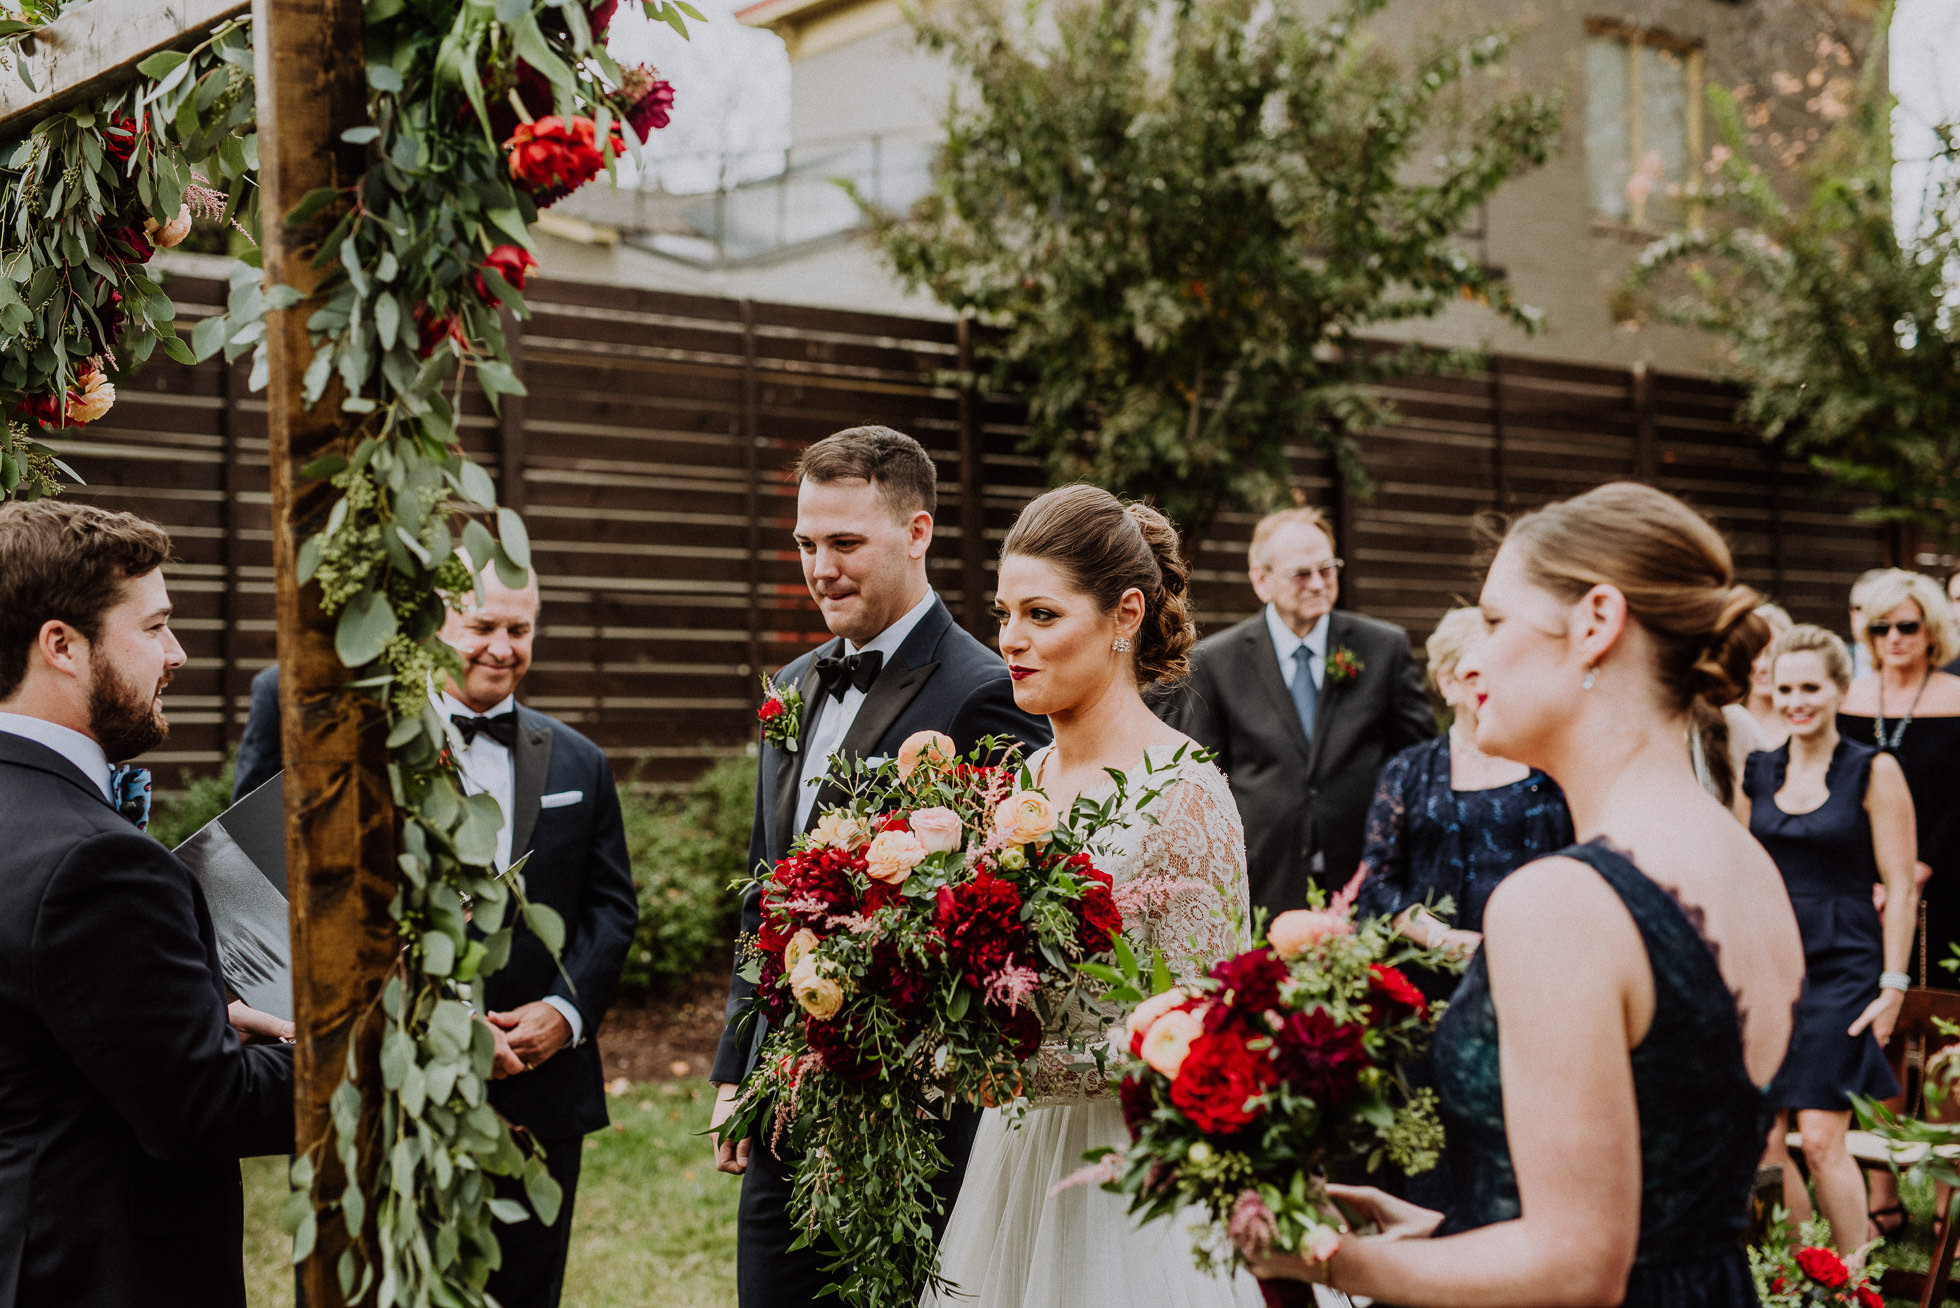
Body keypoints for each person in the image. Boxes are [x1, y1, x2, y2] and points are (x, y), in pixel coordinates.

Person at [1249, 481, 1804, 1307]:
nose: (1470, 661)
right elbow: (1655, 1191)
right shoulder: (1743, 862)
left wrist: (1328, 1260)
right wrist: (1444, 1229)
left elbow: (1578, 1267)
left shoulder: (1562, 902)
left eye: (1497, 622)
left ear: (1596, 624)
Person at [231, 557, 638, 1308]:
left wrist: (566, 1014)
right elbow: (263, 881)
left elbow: (611, 909)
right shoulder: (356, 742)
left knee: (523, 1289)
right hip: (384, 1086)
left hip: (536, 1092)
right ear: (435, 626)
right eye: (482, 626)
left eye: (520, 629)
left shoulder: (580, 760)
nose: (502, 647)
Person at [709, 426, 1049, 1308]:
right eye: (806, 544)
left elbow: (1001, 921)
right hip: (785, 1100)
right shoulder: (790, 685)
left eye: (845, 543)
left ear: (918, 532)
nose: (820, 568)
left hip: (910, 1108)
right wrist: (733, 1071)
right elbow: (765, 892)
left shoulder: (985, 690)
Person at [930, 483, 1259, 1308]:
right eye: (1004, 614)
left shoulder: (1185, 793)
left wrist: (1022, 1073)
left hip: (1134, 1177)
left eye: (1042, 615)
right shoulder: (1019, 781)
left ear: (1125, 616)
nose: (1011, 640)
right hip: (1014, 1160)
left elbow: (1200, 1036)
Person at [0, 500, 295, 1308]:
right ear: (61, 645)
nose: (178, 653)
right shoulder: (98, 859)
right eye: (155, 626)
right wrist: (385, 1060)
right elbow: (204, 1109)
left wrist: (185, 1015)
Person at [1352, 607, 1574, 1211]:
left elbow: (1577, 867)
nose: (1488, 684)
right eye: (1474, 671)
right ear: (1447, 682)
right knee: (1434, 1152)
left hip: (1530, 985)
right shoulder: (1409, 771)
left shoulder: (1551, 768)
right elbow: (1378, 882)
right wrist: (1443, 939)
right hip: (1430, 990)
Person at [1161, 507, 1435, 917]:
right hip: (1264, 880)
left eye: (1327, 569)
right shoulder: (1216, 663)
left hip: (1368, 879)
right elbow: (1202, 781)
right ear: (1261, 580)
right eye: (1301, 574)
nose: (1319, 584)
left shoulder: (1383, 648)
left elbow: (1417, 765)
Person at [1745, 625, 1917, 1255]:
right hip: (1771, 964)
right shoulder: (1756, 772)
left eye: (1811, 687)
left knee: (1820, 1138)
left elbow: (1900, 886)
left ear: (1840, 689)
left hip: (1844, 966)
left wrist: (1893, 986)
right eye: (1785, 687)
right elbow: (1739, 871)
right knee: (1764, 1139)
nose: (1797, 700)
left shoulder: (1874, 769)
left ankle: (1853, 1282)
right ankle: (1798, 1274)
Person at [1839, 569, 1960, 988]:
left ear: (1932, 631)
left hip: (1946, 875)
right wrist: (1876, 875)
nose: (1894, 638)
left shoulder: (1956, 697)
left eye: (1907, 626)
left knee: (1940, 1005)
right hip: (1862, 880)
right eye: (1881, 627)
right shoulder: (1846, 699)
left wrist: (1921, 866)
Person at [1743, 603, 1794, 750]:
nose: (1762, 666)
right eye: (1754, 652)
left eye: (1772, 653)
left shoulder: (1803, 722)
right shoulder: (1721, 720)